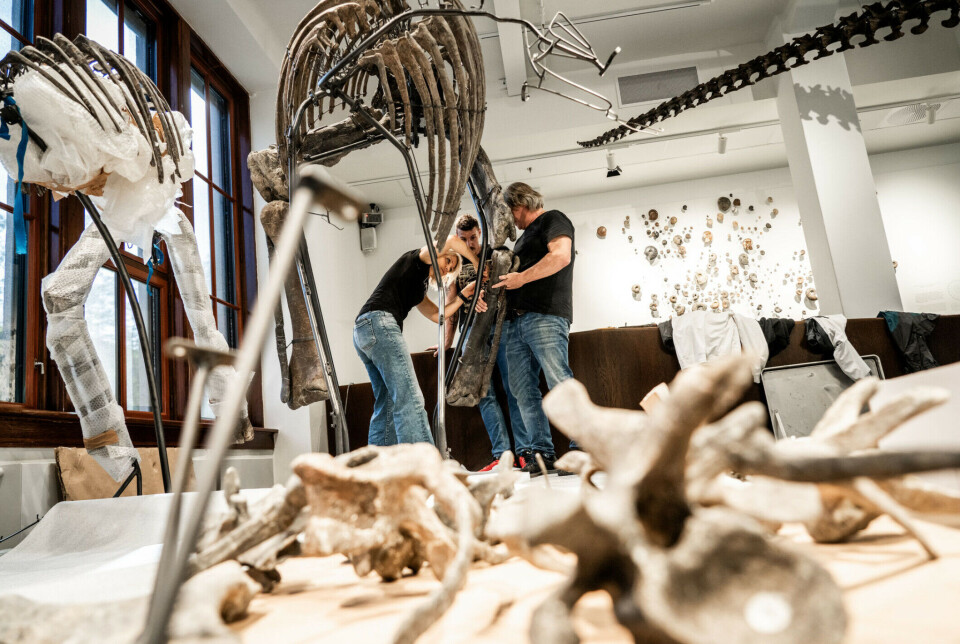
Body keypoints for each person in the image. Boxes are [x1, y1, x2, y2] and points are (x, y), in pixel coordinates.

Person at [354, 238, 484, 447]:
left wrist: (462, 295)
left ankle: (378, 466)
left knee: (387, 404)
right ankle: (424, 465)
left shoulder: (418, 286)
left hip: (364, 331)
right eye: (448, 260)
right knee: (410, 400)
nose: (448, 267)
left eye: (451, 268)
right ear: (439, 253)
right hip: (379, 323)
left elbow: (437, 315)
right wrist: (476, 263)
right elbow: (450, 239)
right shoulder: (417, 260)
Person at [493, 182, 577, 476]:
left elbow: (561, 256)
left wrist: (521, 278)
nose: (510, 219)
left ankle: (580, 449)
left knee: (559, 380)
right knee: (521, 391)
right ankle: (542, 453)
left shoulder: (553, 219)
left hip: (545, 316)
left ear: (520, 204)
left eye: (509, 211)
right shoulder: (522, 239)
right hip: (515, 322)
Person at [439, 214, 528, 472]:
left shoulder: (497, 254)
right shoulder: (454, 263)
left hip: (503, 327)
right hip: (471, 333)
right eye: (464, 239)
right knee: (483, 394)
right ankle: (502, 455)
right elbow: (450, 306)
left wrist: (486, 289)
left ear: (480, 233)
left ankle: (525, 452)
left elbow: (512, 285)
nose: (470, 243)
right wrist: (447, 342)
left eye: (474, 237)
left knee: (514, 388)